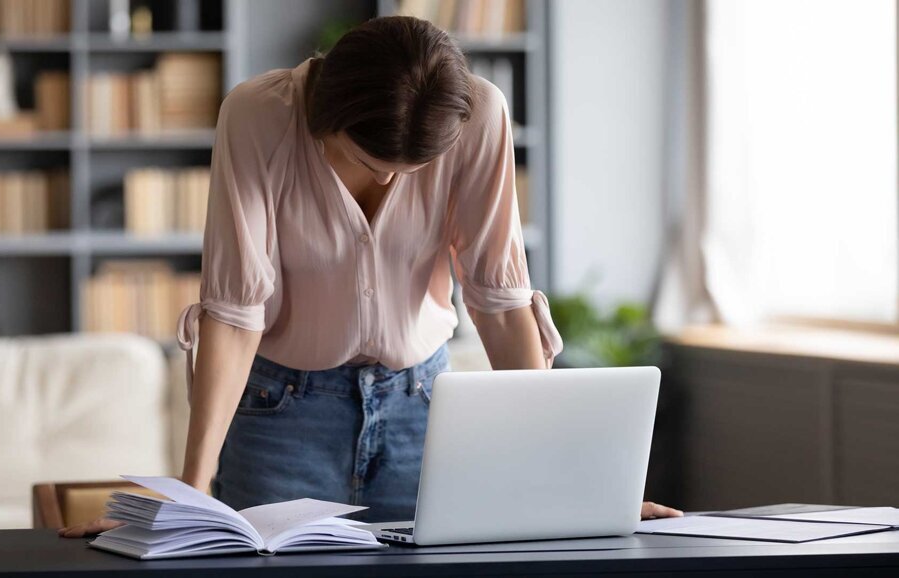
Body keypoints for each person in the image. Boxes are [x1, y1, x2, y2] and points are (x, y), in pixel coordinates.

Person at [60, 16, 681, 538]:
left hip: (426, 413)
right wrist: (191, 497)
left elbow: (500, 302)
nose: (389, 181)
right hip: (282, 417)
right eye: (367, 161)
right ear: (326, 116)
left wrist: (578, 484)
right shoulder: (257, 115)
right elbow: (233, 311)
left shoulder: (480, 114)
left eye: (414, 170)